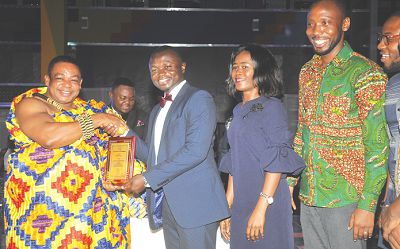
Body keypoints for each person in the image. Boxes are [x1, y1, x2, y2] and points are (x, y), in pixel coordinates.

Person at [4, 55, 131, 248]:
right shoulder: (31, 104)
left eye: (73, 79)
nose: (67, 84)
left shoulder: (91, 108)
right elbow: (49, 137)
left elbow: (119, 144)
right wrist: (96, 120)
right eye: (60, 78)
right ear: (47, 80)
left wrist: (116, 178)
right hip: (44, 216)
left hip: (91, 213)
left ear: (80, 83)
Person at [293, 1, 389, 248]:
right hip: (309, 195)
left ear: (344, 24)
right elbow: (302, 132)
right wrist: (289, 180)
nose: (316, 31)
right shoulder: (307, 72)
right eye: (311, 24)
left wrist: (367, 205)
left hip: (347, 200)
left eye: (325, 22)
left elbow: (377, 146)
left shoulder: (366, 73)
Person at [121, 46, 230, 249]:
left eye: (167, 66)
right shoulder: (156, 110)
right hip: (169, 204)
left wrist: (146, 179)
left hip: (196, 204)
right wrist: (124, 133)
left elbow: (195, 151)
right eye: (154, 69)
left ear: (183, 67)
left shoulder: (199, 98)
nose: (160, 73)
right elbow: (151, 157)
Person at [218, 44, 305, 249]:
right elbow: (234, 162)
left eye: (245, 67)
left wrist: (261, 208)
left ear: (261, 71)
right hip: (242, 200)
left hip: (267, 200)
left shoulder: (271, 107)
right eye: (235, 66)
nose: (238, 72)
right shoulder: (238, 111)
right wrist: (226, 207)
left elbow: (277, 162)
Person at [377, 12, 400, 249]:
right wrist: (387, 205)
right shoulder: (392, 85)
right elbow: (392, 150)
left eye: (388, 38)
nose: (380, 45)